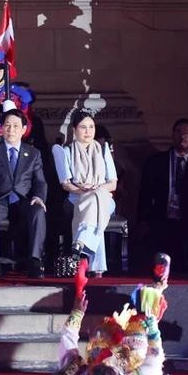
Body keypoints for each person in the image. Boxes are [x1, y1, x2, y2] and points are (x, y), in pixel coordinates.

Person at [51, 253, 170, 375]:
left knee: (110, 337)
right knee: (142, 331)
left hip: (108, 342)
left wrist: (76, 312)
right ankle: (158, 287)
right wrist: (153, 331)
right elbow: (153, 358)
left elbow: (68, 345)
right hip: (133, 354)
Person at [138, 118, 188, 274]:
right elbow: (145, 193)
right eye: (179, 132)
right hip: (162, 221)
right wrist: (143, 221)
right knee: (160, 269)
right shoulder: (156, 161)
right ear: (172, 136)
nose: (183, 136)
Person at [0, 109, 47, 278]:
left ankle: (35, 260)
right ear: (2, 128)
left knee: (38, 211)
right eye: (7, 125)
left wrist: (38, 197)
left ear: (23, 129)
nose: (11, 130)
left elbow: (40, 182)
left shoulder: (33, 153)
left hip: (24, 201)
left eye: (16, 126)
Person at [53, 111, 118, 277]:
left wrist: (95, 190)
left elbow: (113, 183)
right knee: (95, 210)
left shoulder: (103, 149)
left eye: (91, 127)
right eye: (83, 127)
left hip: (104, 197)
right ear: (74, 130)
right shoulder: (66, 151)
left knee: (96, 201)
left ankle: (79, 243)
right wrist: (86, 191)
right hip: (77, 198)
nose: (88, 131)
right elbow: (65, 184)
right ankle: (96, 268)